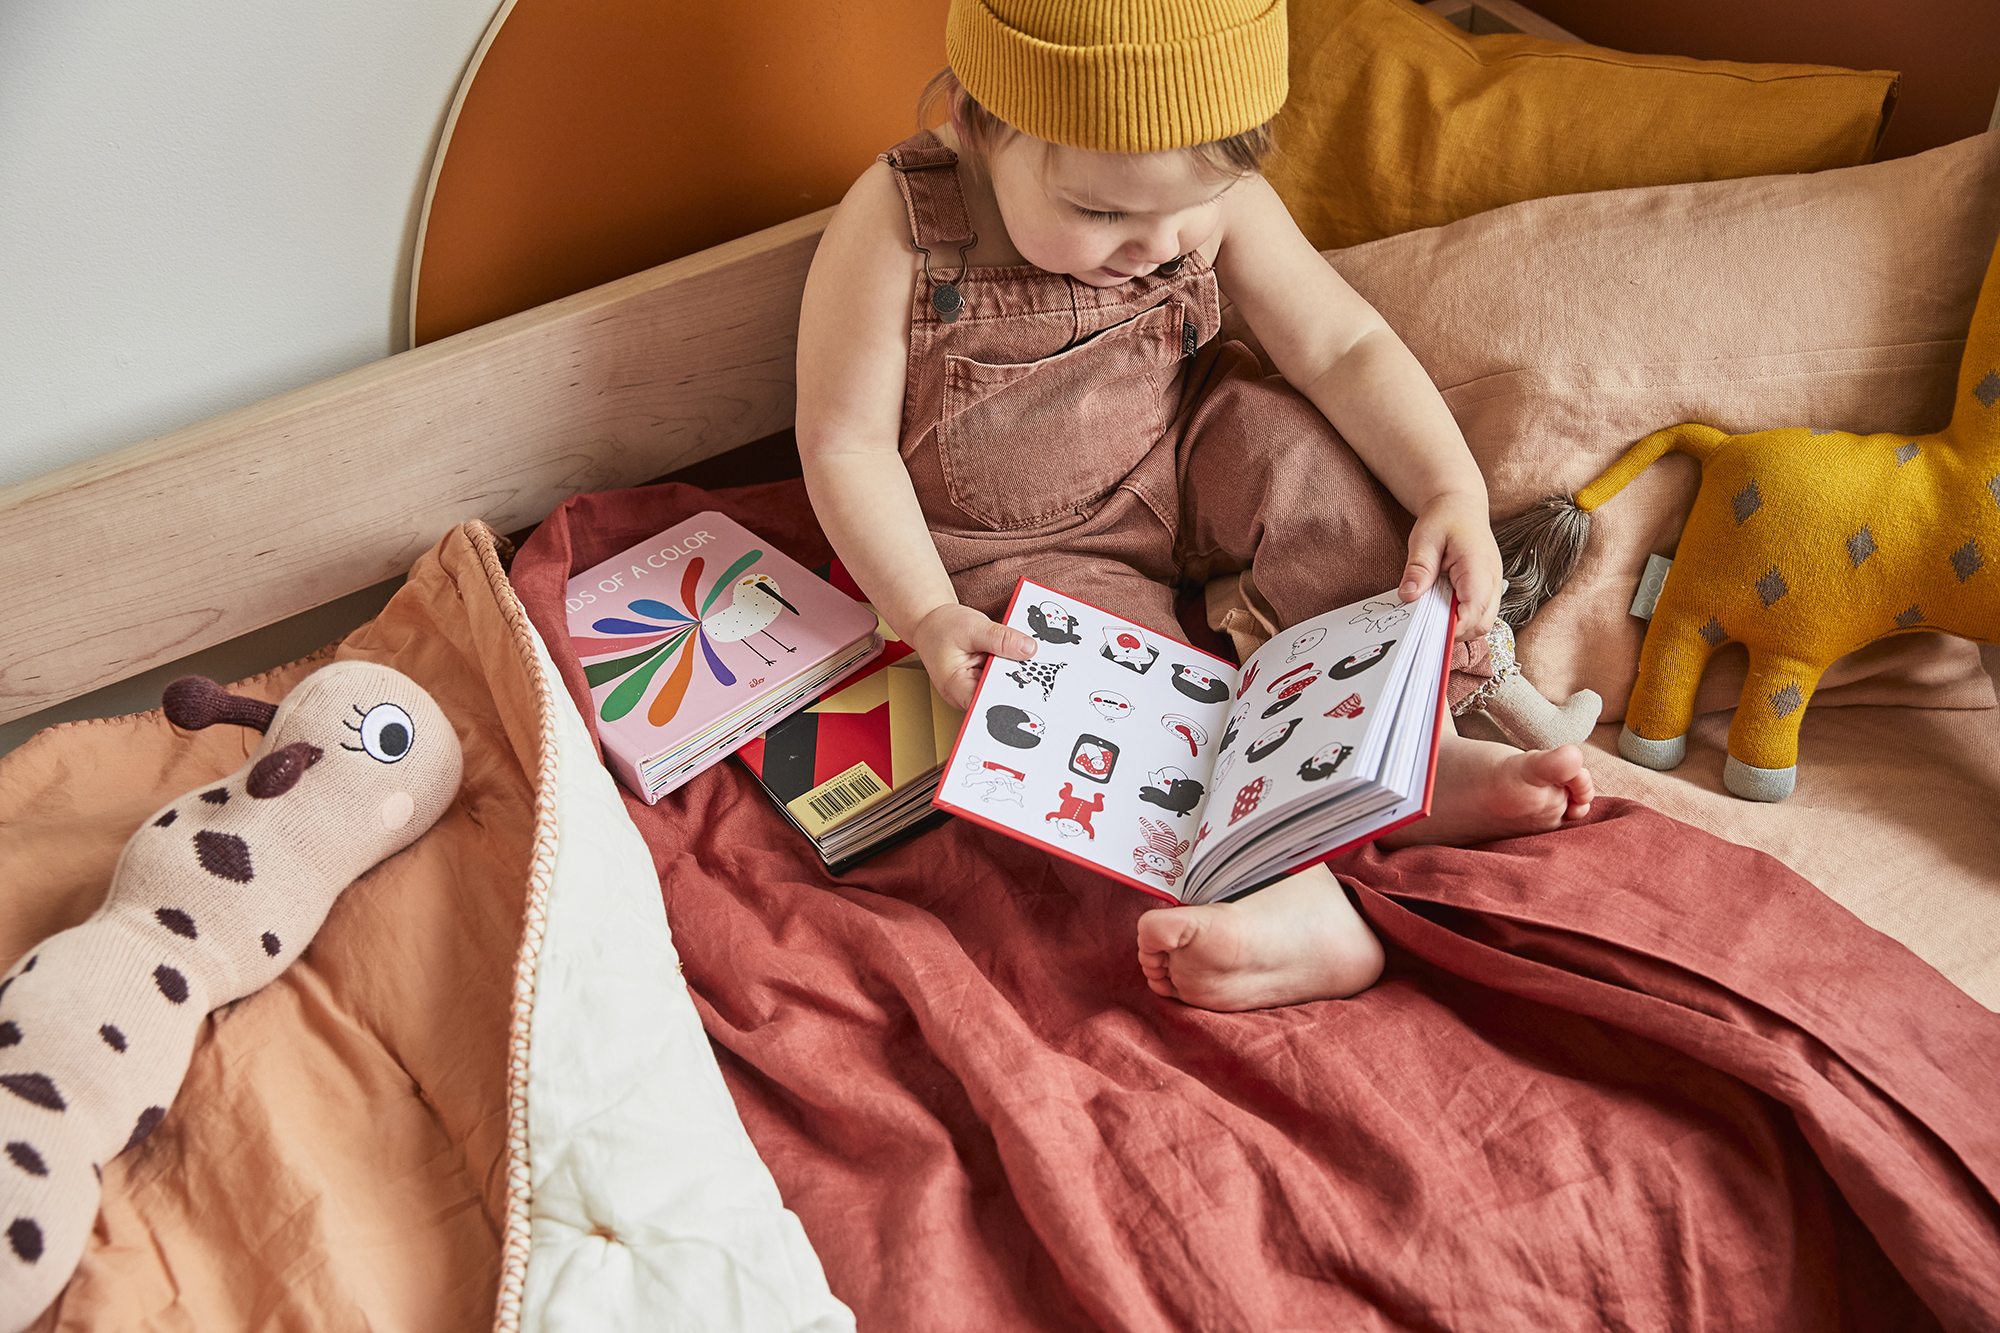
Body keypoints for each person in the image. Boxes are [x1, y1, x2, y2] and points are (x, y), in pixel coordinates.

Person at [796, 0, 1593, 1011]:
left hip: (1182, 450)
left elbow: (1340, 346)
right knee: (1099, 703)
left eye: (1188, 211)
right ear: (976, 116)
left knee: (1316, 481)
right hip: (1018, 543)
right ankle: (1283, 893)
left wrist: (1449, 490)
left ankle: (1413, 755)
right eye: (1097, 214)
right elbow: (844, 445)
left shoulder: (1192, 195)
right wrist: (922, 612)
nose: (1155, 243)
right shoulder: (899, 223)